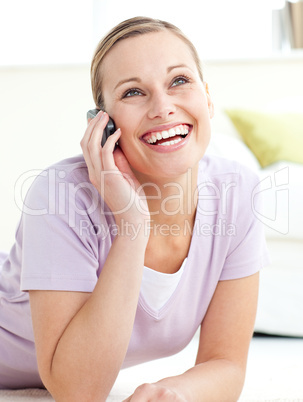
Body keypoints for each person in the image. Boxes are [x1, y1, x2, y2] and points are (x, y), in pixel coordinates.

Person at [0, 16, 270, 401]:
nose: (163, 108)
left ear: (207, 98)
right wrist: (131, 223)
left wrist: (170, 393)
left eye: (179, 81)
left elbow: (226, 363)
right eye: (132, 92)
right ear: (103, 124)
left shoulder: (238, 192)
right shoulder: (60, 195)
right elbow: (76, 391)